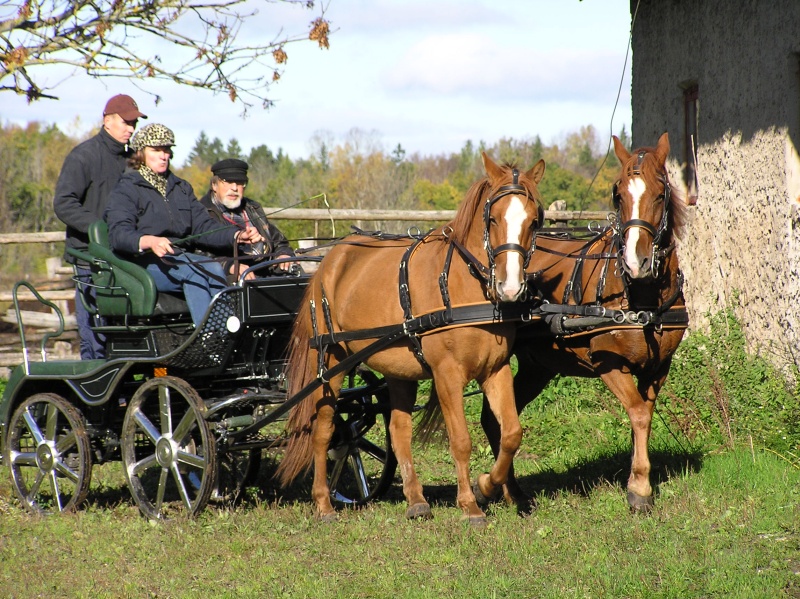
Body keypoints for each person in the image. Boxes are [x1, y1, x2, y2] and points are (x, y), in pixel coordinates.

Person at [104, 124, 263, 327]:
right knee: (194, 273)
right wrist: (150, 241)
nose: (164, 156)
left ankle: (225, 334)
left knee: (213, 268)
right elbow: (118, 235)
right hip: (141, 263)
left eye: (167, 150)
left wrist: (237, 235)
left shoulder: (181, 188)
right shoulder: (127, 188)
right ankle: (208, 338)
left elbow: (204, 227)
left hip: (178, 258)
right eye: (156, 150)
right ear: (141, 152)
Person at [54, 94, 147, 359]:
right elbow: (64, 203)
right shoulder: (83, 156)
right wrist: (99, 229)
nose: (131, 128)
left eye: (134, 124)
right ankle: (93, 397)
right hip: (90, 259)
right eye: (126, 122)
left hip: (127, 258)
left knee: (125, 333)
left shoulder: (134, 161)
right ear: (107, 121)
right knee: (94, 337)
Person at [199, 158, 295, 281]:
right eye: (227, 181)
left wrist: (283, 254)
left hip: (265, 271)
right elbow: (198, 254)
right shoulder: (202, 212)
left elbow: (278, 241)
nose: (234, 188)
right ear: (214, 185)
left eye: (240, 183)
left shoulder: (252, 208)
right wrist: (230, 266)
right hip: (227, 278)